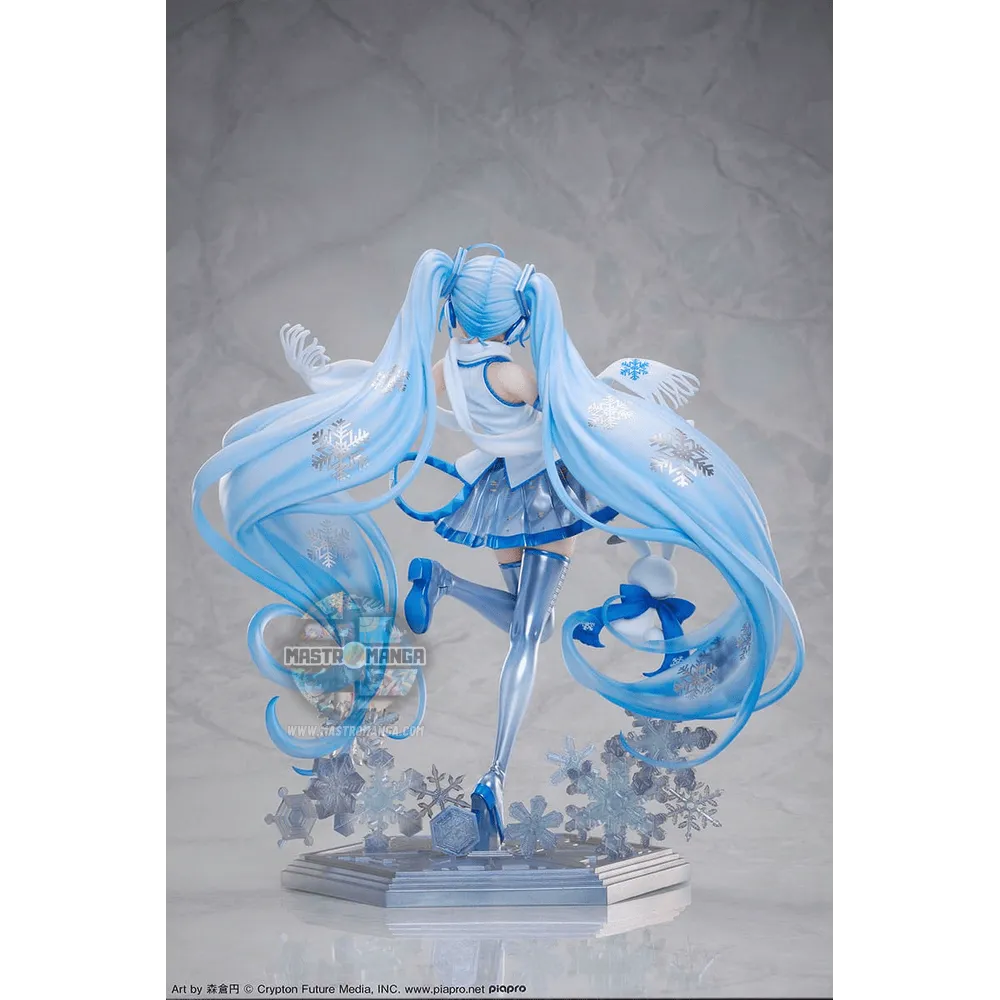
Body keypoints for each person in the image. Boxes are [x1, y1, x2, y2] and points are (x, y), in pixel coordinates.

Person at [192, 244, 804, 849]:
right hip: (544, 498)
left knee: (528, 623)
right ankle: (496, 774)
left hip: (498, 497)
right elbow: (577, 416)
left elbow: (384, 387)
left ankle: (445, 584)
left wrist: (324, 377)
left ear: (453, 314)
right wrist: (640, 421)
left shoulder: (446, 370)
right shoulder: (513, 375)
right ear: (516, 322)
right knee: (529, 636)